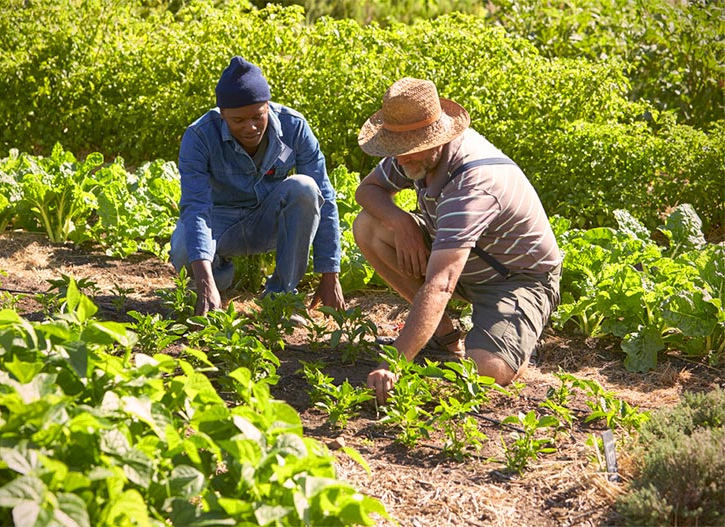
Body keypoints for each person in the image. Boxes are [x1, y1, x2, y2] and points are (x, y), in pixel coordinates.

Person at [353, 77, 562, 404]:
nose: (403, 159)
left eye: (411, 148)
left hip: (515, 278)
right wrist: (401, 220)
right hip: (456, 256)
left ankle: (509, 348)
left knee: (483, 372)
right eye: (397, 149)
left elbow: (440, 284)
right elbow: (366, 191)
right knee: (370, 227)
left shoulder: (472, 183)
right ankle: (445, 335)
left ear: (437, 136)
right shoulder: (412, 155)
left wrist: (394, 363)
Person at [170, 56, 345, 315]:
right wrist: (205, 282)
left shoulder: (294, 127)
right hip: (222, 223)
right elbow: (196, 208)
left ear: (267, 106)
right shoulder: (199, 136)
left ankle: (281, 298)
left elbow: (325, 198)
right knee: (185, 246)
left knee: (305, 188)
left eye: (257, 116)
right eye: (238, 121)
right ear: (222, 115)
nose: (250, 127)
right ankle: (218, 282)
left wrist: (330, 274)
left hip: (268, 220)